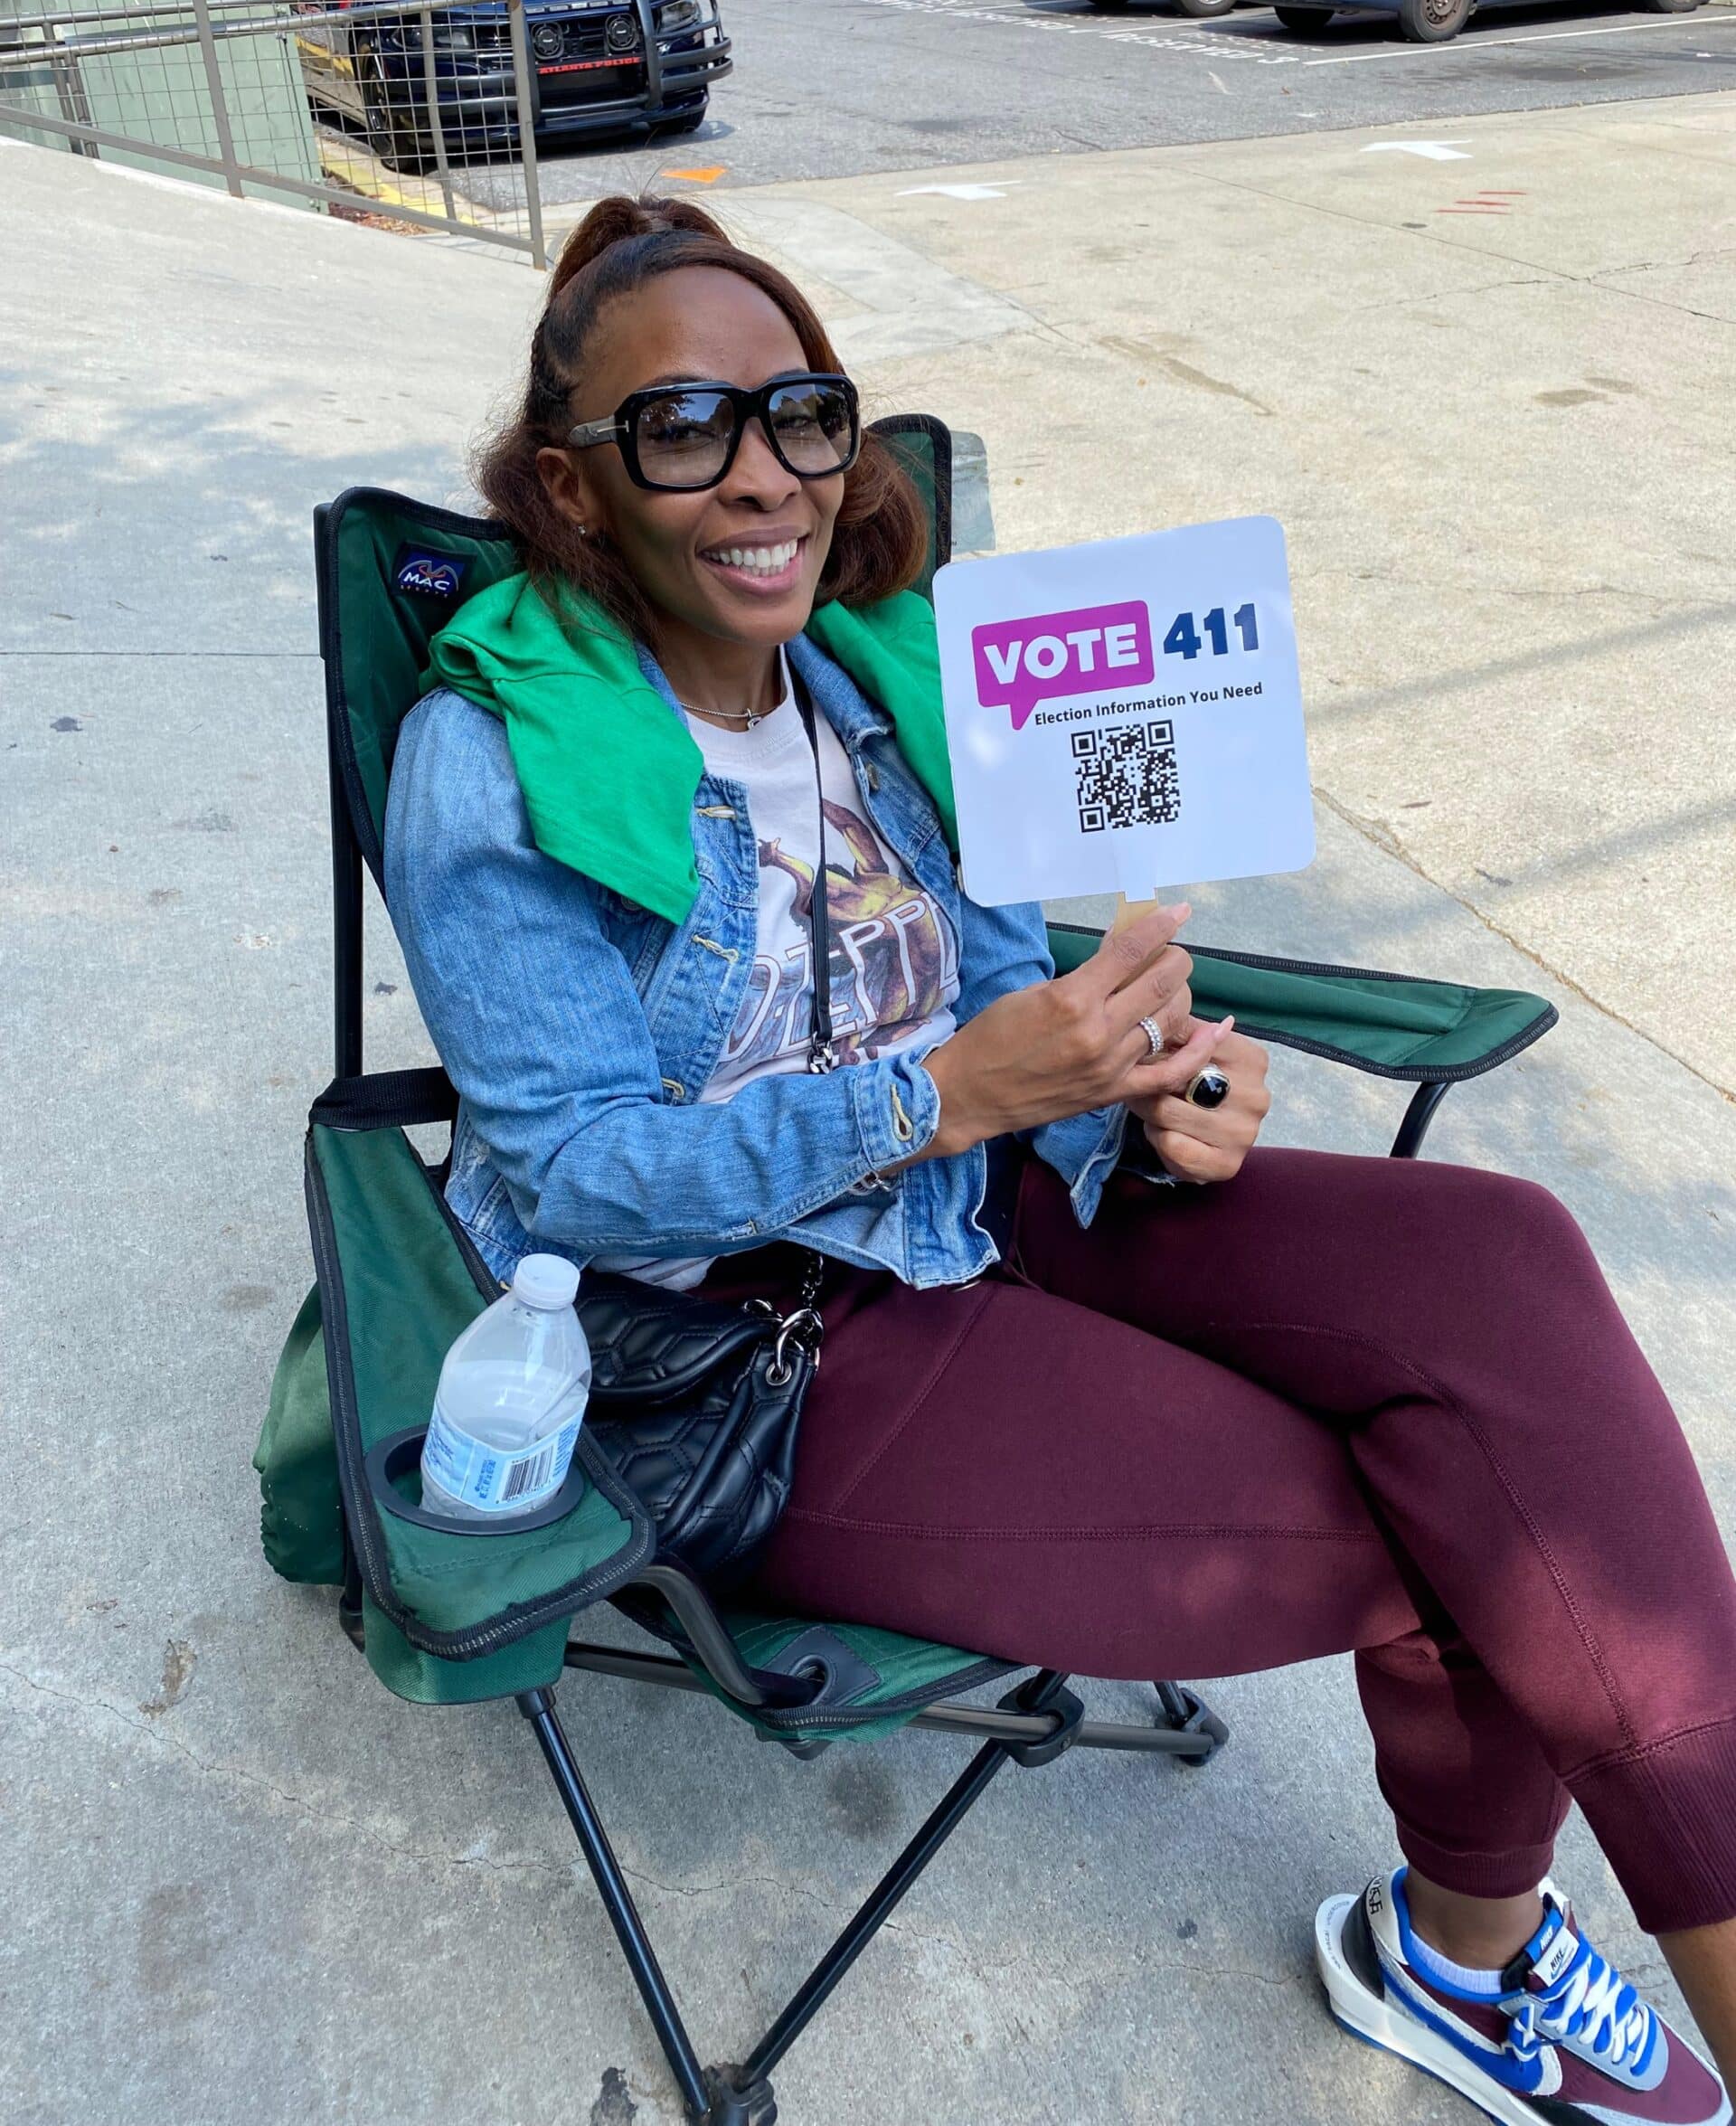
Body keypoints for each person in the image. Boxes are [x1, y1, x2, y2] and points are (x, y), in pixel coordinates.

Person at [384, 194, 1736, 2126]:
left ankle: (1471, 1951)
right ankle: (1474, 1948)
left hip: (1005, 1186)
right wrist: (939, 1094)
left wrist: (1145, 1085)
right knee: (1471, 1536)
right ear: (576, 488)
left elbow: (1015, 983)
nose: (763, 474)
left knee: (1501, 1261)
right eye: (683, 426)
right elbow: (583, 1173)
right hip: (759, 1324)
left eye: (805, 413)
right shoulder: (494, 751)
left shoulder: (881, 678)